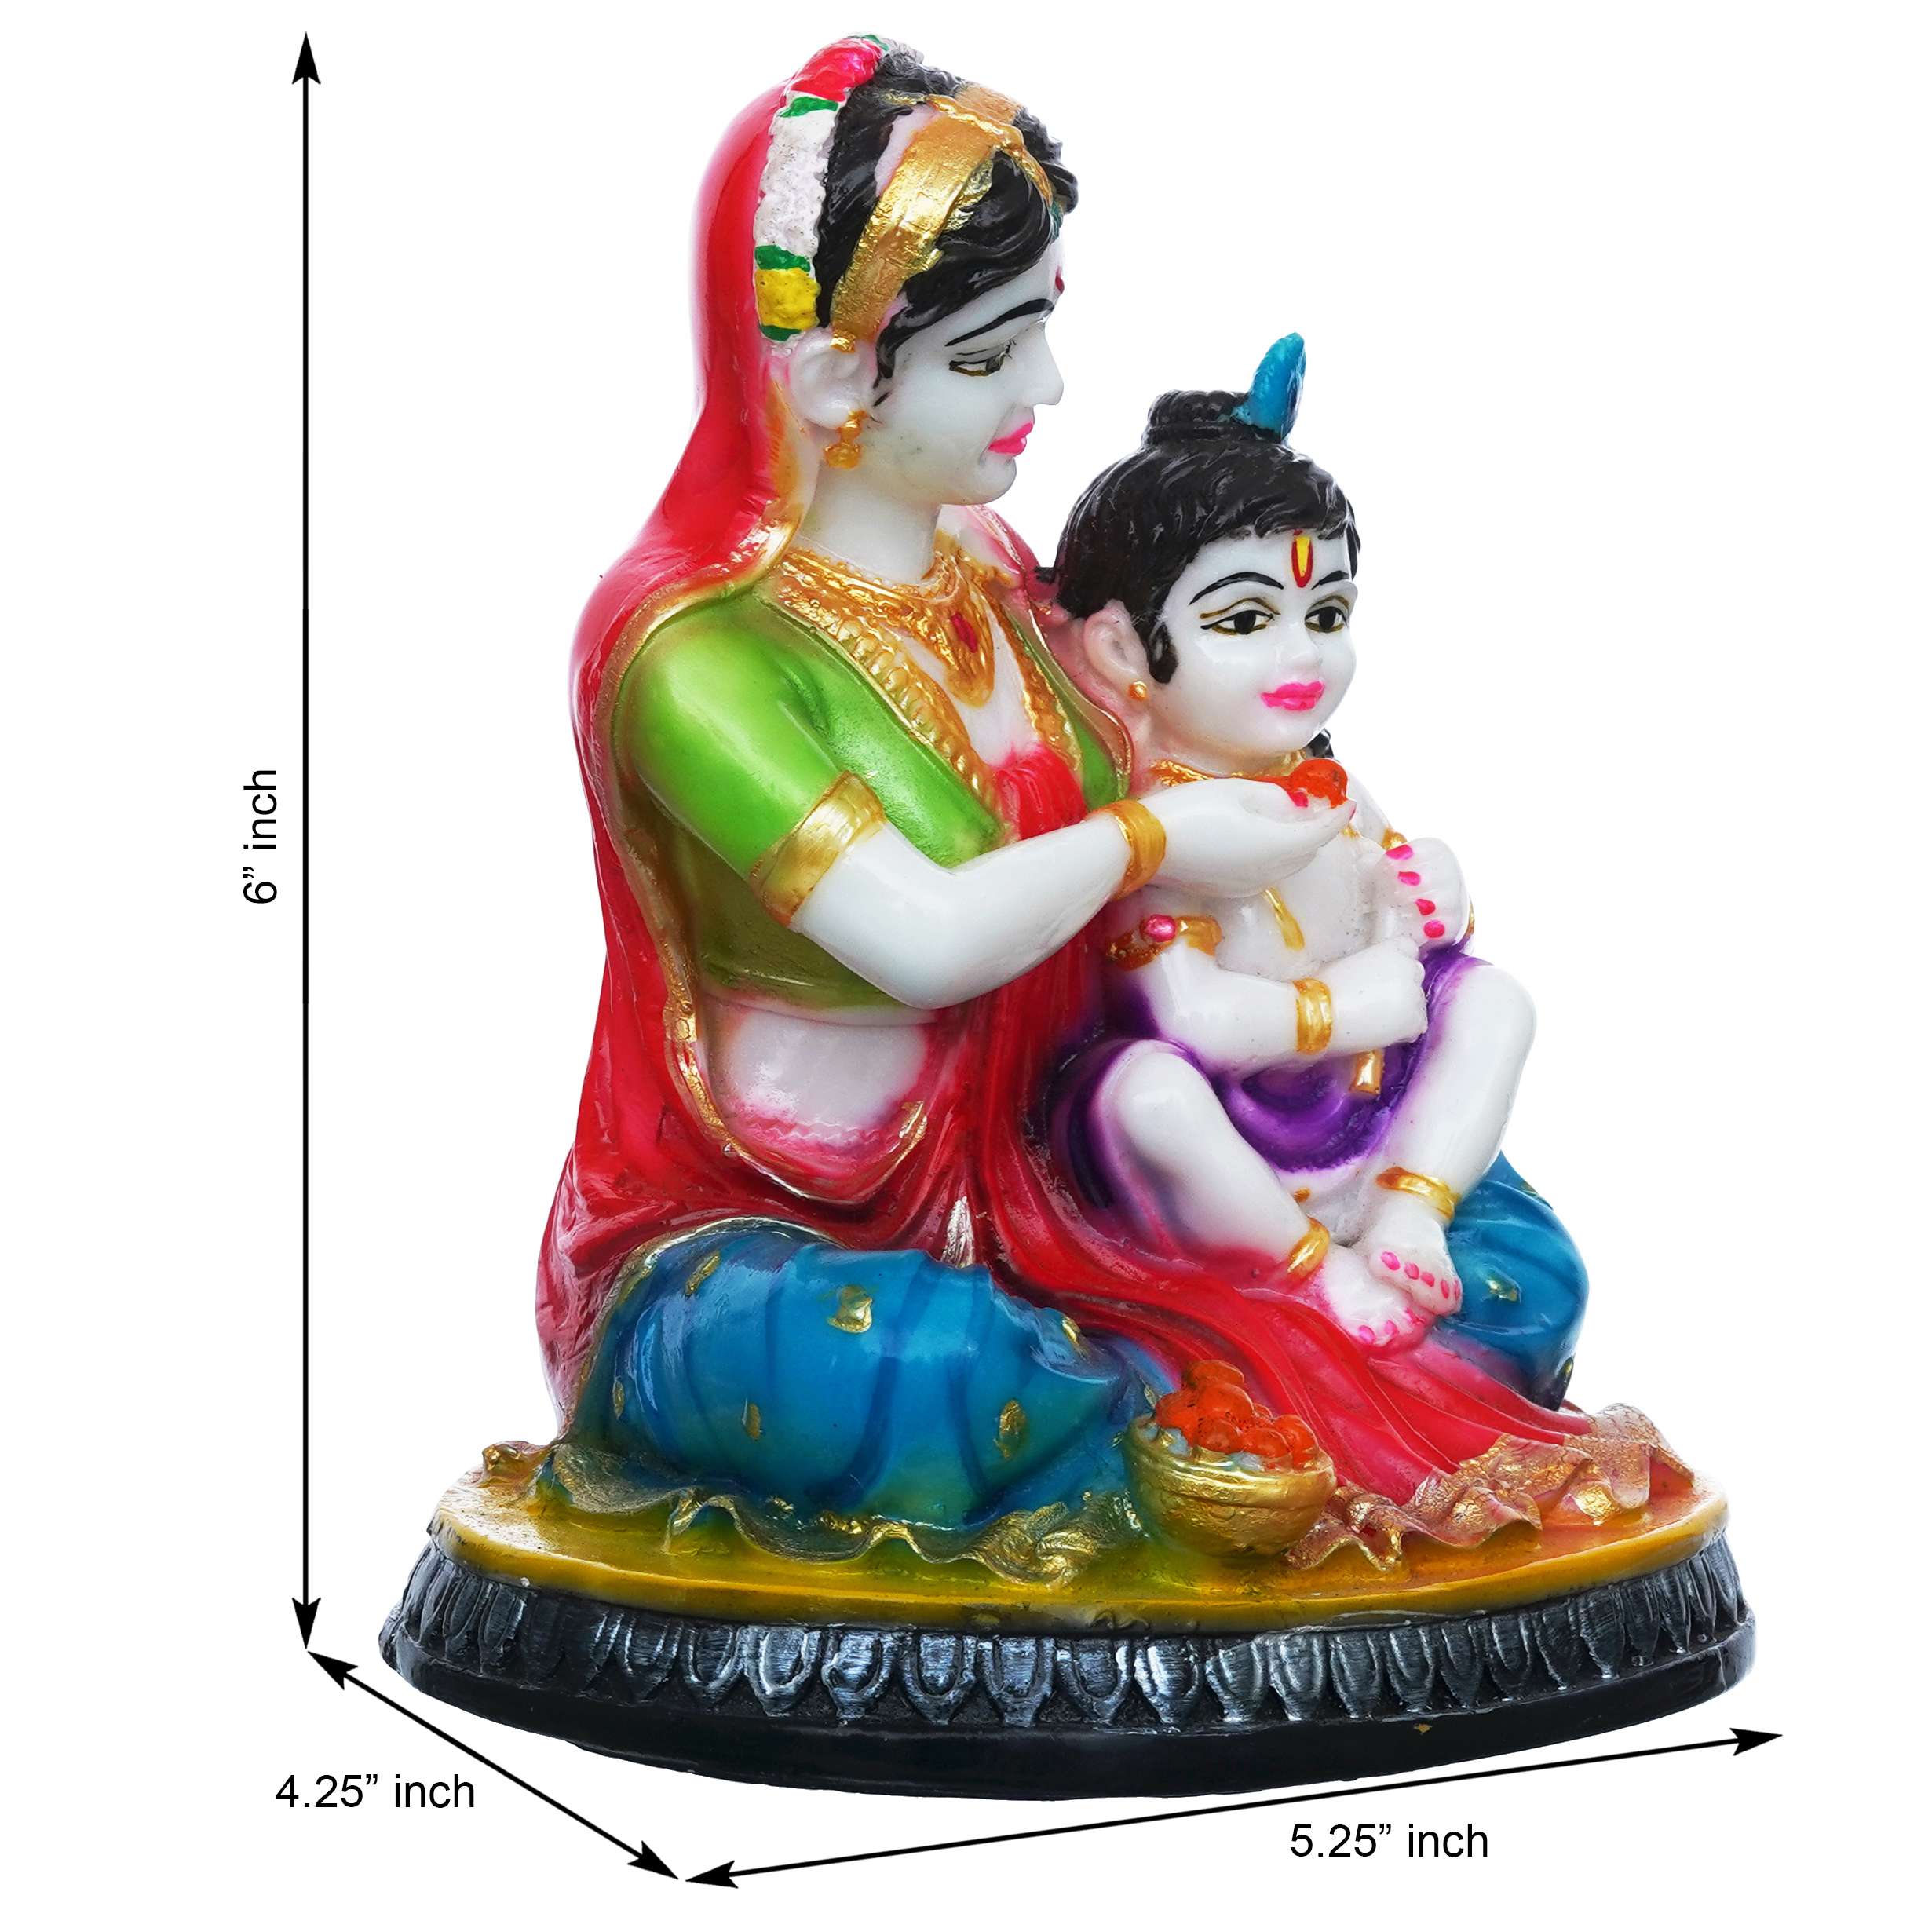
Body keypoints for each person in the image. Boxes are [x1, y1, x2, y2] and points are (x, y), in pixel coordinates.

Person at [1046, 336, 1587, 1404]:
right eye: (1245, 621)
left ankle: (1411, 1205)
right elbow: (1183, 1016)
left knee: (1495, 1002)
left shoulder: (1322, 787)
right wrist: (1335, 1010)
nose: (1303, 656)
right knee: (1144, 1094)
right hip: (1224, 1138)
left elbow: (1399, 890)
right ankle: (1309, 1272)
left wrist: (1432, 884)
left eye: (1327, 615)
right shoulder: (1159, 829)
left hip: (1361, 1105)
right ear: (1120, 649)